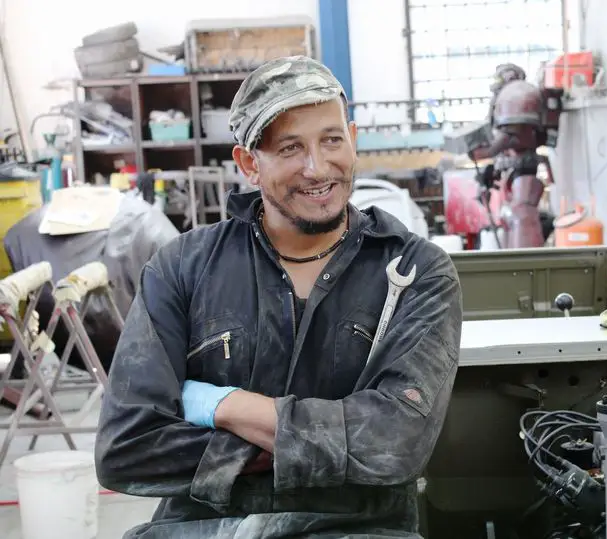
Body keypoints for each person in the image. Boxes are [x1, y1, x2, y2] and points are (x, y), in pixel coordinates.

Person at [94, 56, 463, 538]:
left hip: (357, 527)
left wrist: (223, 406)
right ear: (249, 163)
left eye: (332, 139)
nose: (317, 167)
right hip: (204, 526)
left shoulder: (415, 272)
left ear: (352, 138)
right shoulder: (182, 267)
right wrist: (324, 444)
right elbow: (126, 448)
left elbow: (397, 441)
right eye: (290, 148)